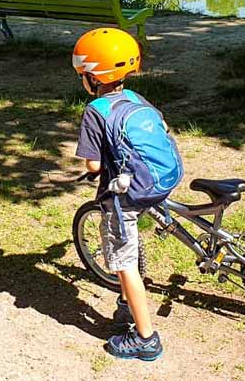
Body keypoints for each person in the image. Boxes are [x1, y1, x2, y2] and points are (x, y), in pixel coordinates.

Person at [72, 27, 164, 362]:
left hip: (123, 195)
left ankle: (146, 339)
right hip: (153, 182)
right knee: (130, 248)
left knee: (125, 265)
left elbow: (94, 165)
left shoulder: (96, 110)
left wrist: (92, 168)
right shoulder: (137, 99)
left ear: (93, 77)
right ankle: (126, 303)